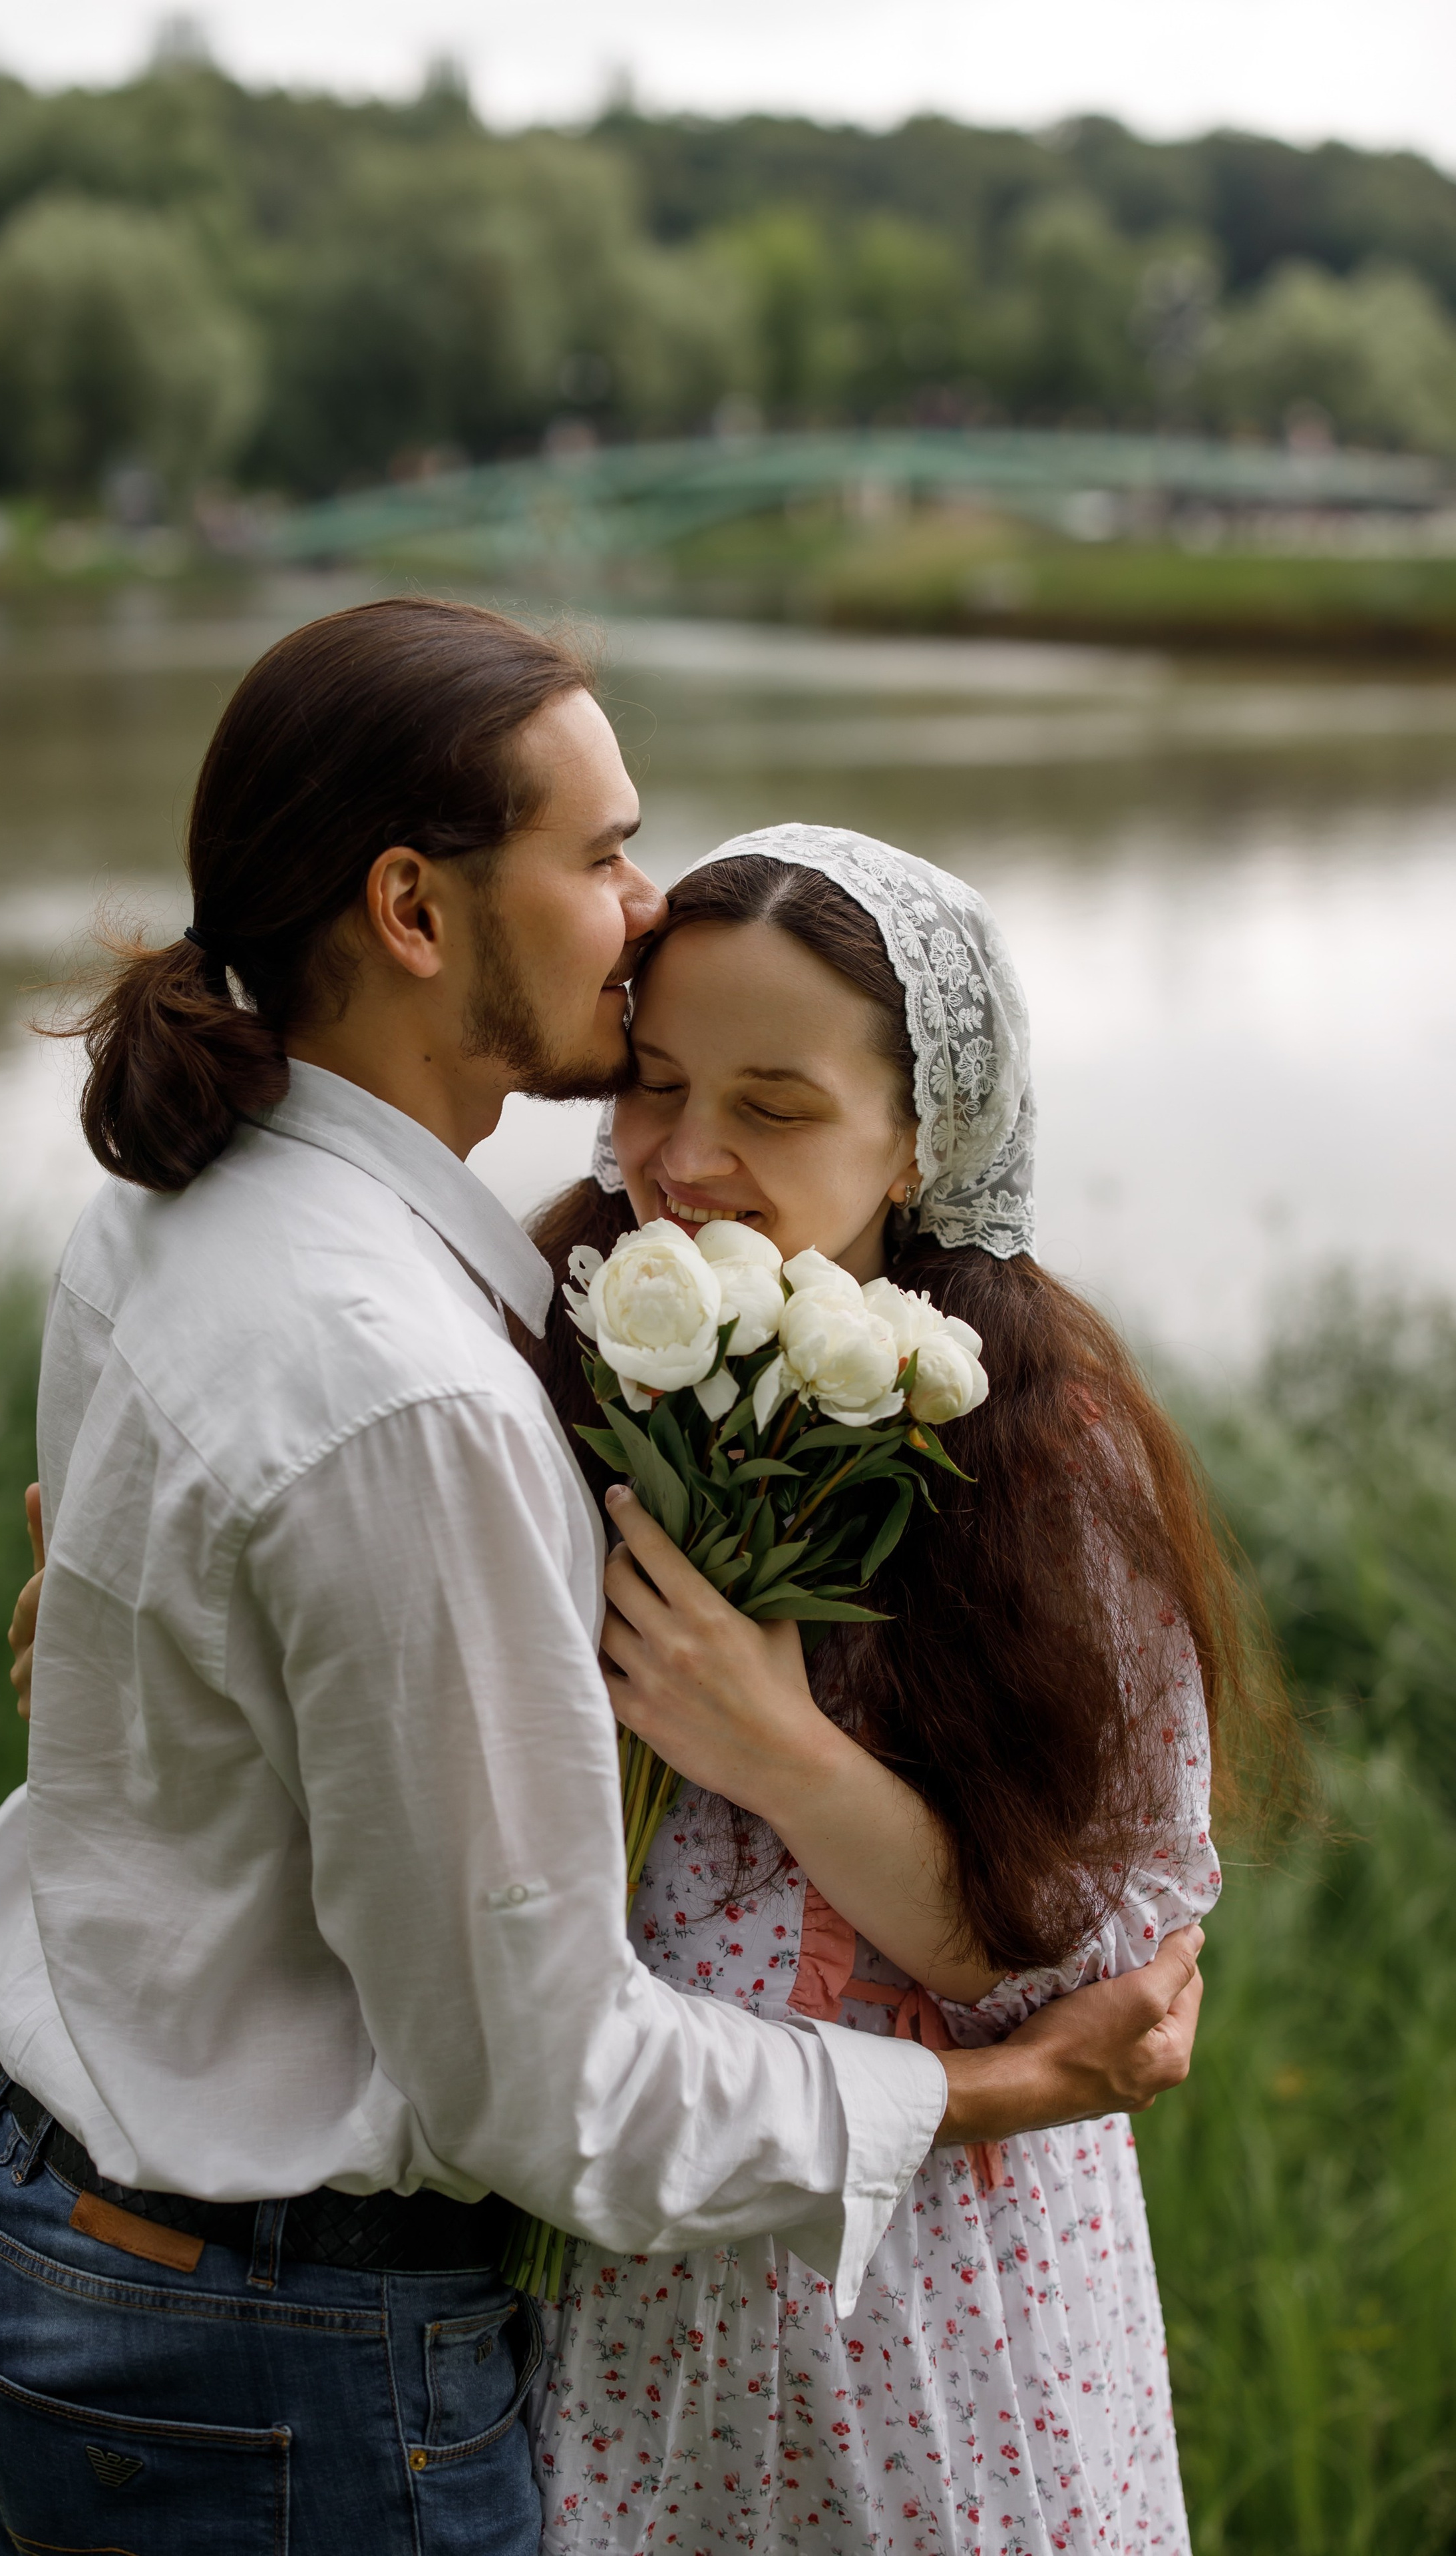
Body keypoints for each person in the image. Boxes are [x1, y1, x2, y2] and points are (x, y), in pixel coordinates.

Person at [0, 600, 1204, 2556]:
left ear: (924, 1141)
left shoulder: (247, 1233)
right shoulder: (467, 1383)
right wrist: (988, 2095)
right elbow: (549, 2077)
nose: (639, 914)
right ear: (416, 912)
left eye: (772, 1107)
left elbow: (1098, 1929)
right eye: (603, 852)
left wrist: (145, 1680)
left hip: (807, 2313)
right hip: (361, 2331)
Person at [516, 826, 1276, 2555]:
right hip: (623, 2286)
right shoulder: (538, 1352)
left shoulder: (1041, 1457)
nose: (686, 1159)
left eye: (775, 1107)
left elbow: (1098, 1976)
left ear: (925, 1134)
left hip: (943, 2300)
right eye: (649, 1084)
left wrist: (777, 1748)